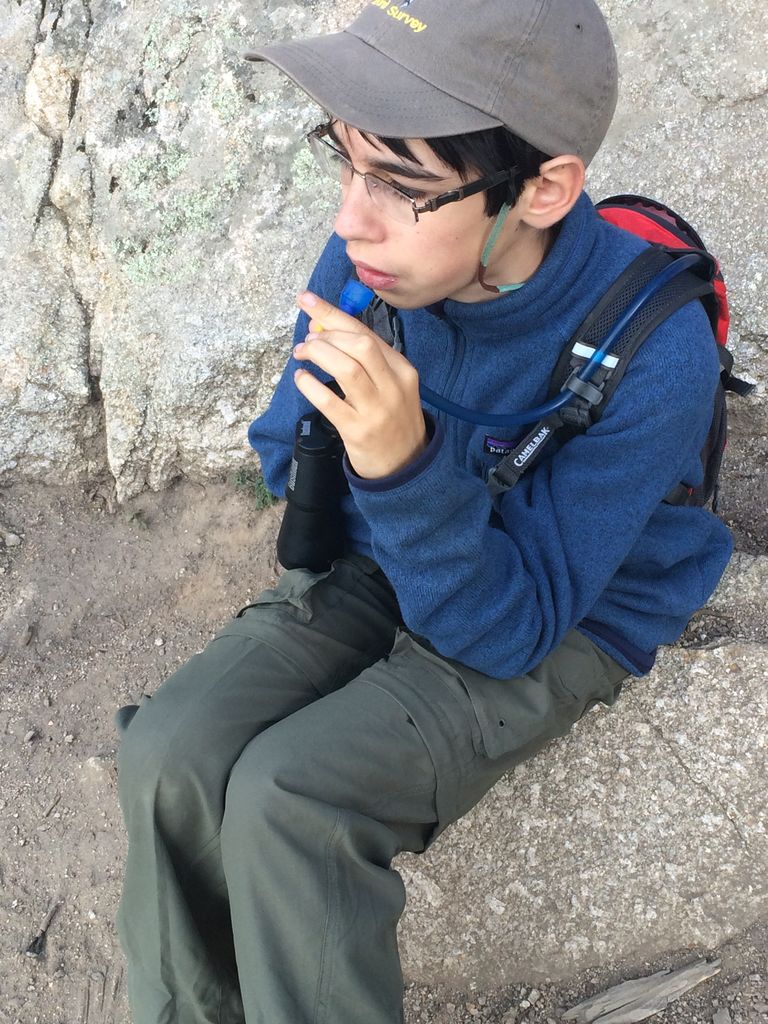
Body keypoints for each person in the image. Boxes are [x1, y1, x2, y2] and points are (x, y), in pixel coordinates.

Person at [115, 1, 734, 1021]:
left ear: (541, 189)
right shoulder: (379, 266)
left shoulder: (656, 354)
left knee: (292, 798)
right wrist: (366, 463)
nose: (351, 217)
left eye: (401, 184)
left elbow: (508, 628)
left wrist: (406, 466)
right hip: (395, 553)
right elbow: (285, 449)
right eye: (347, 162)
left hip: (561, 610)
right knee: (170, 753)